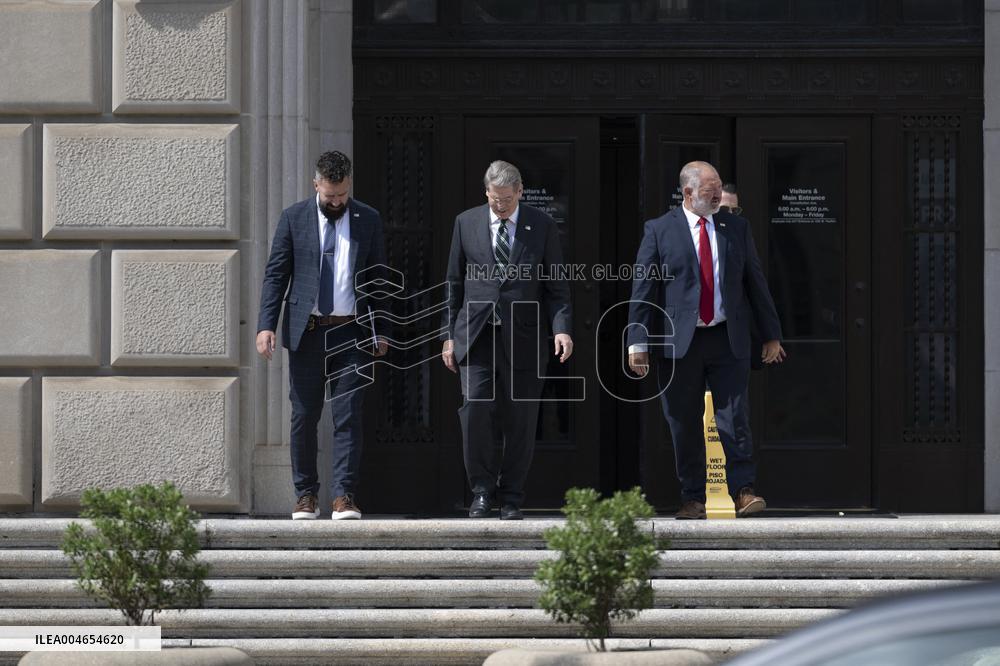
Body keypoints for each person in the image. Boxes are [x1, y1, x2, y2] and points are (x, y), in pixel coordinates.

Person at [627, 161, 785, 520]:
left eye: (718, 190)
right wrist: (637, 342)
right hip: (678, 343)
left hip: (726, 338)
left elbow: (755, 283)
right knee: (682, 421)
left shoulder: (735, 227)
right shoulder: (658, 230)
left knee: (734, 418)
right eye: (710, 191)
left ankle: (743, 491)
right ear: (688, 192)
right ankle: (692, 497)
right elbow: (643, 289)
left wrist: (771, 334)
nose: (717, 197)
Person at [256, 151, 388, 521]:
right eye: (330, 195)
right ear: (316, 185)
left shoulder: (368, 219)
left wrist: (383, 330)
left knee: (348, 416)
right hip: (308, 332)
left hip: (352, 333)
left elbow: (379, 280)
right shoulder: (293, 218)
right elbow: (275, 275)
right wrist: (265, 325)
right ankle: (305, 496)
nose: (337, 202)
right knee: (303, 416)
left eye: (342, 195)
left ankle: (344, 496)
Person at [441, 160, 573, 520]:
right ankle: (482, 491)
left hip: (526, 336)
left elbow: (556, 286)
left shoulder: (541, 225)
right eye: (494, 199)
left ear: (519, 191)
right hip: (476, 334)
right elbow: (453, 283)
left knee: (522, 417)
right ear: (487, 192)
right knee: (476, 413)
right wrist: (448, 336)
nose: (500, 206)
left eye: (506, 200)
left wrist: (561, 327)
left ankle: (512, 495)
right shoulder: (466, 223)